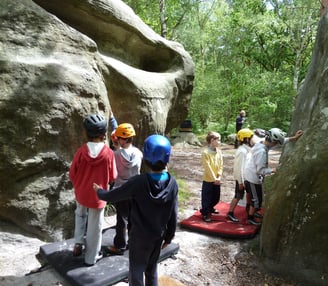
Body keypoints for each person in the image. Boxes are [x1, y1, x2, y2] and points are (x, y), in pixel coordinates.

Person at [93, 134, 178, 286]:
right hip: (158, 235)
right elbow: (173, 212)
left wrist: (99, 191)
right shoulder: (172, 183)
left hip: (139, 236)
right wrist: (169, 236)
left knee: (136, 270)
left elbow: (113, 196)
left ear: (146, 158)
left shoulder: (138, 182)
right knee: (151, 269)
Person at [69, 113, 117, 266]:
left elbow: (72, 174)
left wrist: (79, 185)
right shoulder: (108, 153)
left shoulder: (81, 151)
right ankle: (91, 258)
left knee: (80, 214)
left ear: (86, 133)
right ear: (104, 134)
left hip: (82, 192)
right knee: (95, 226)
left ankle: (78, 242)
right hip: (98, 195)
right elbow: (113, 176)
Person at [244, 128, 303, 225]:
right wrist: (273, 170)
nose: (276, 145)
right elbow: (260, 170)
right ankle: (250, 217)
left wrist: (294, 137)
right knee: (257, 199)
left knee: (257, 197)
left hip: (253, 174)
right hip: (253, 177)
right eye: (276, 143)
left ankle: (253, 213)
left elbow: (282, 141)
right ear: (273, 141)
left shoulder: (263, 142)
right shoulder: (261, 151)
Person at [106, 123, 143, 255]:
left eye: (119, 138)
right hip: (135, 190)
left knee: (121, 219)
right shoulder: (138, 153)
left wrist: (115, 146)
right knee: (133, 218)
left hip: (121, 190)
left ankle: (120, 245)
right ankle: (133, 242)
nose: (117, 140)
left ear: (124, 139)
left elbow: (116, 159)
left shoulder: (115, 154)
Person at [227, 128, 254, 222]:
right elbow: (239, 167)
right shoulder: (242, 151)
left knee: (249, 194)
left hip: (247, 177)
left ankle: (248, 208)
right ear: (246, 139)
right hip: (242, 178)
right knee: (238, 195)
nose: (252, 139)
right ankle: (230, 212)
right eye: (251, 138)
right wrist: (241, 182)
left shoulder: (247, 149)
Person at [200, 131, 223, 222]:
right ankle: (205, 213)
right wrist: (214, 178)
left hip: (217, 179)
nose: (219, 142)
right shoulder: (205, 153)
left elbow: (221, 164)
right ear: (212, 140)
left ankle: (211, 207)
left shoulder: (219, 152)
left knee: (216, 197)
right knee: (207, 197)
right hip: (208, 179)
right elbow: (207, 167)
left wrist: (219, 176)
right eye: (218, 140)